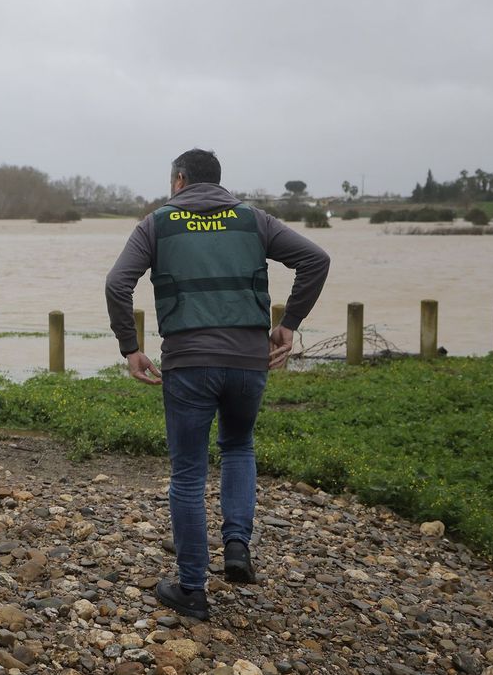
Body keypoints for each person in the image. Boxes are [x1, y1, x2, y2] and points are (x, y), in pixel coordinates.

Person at [104, 148, 329, 621]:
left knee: (188, 474)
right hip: (249, 361)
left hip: (188, 362)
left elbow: (117, 283)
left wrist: (130, 347)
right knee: (239, 446)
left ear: (179, 180)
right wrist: (289, 323)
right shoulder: (254, 220)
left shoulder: (156, 224)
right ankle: (236, 546)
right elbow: (316, 259)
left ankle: (191, 588)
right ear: (219, 181)